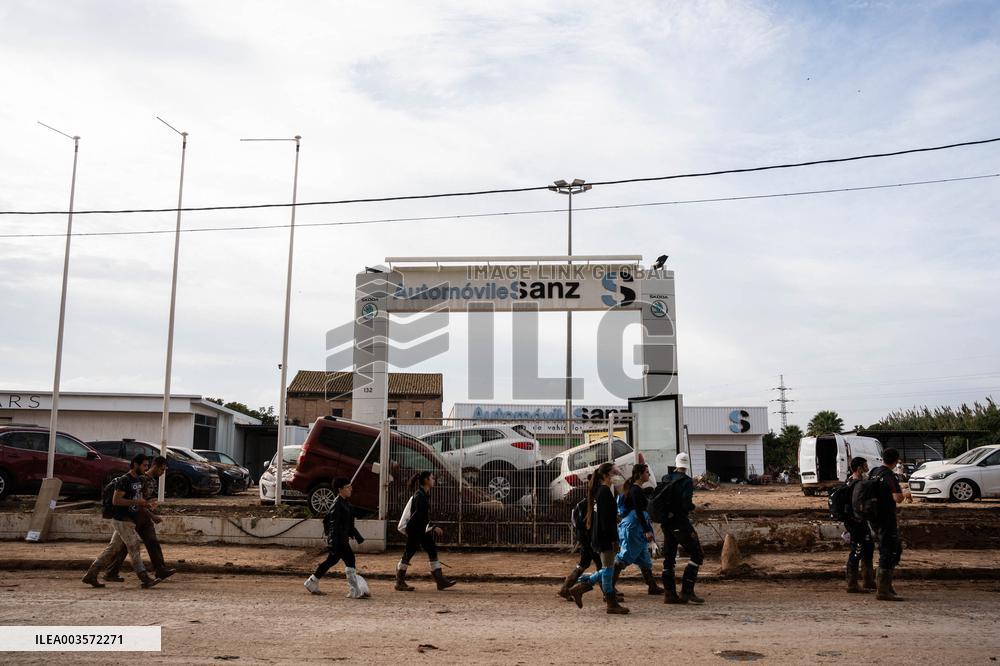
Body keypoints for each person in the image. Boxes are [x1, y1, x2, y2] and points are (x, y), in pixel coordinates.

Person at [82, 454, 161, 589]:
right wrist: (137, 501)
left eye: (147, 465)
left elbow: (137, 499)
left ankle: (91, 574)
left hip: (129, 520)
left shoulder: (138, 480)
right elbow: (116, 500)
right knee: (134, 546)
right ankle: (144, 577)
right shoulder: (124, 480)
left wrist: (147, 505)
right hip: (122, 520)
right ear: (135, 464)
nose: (146, 468)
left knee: (112, 549)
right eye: (144, 465)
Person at [567, 462, 629, 614]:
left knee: (608, 569)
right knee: (608, 571)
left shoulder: (600, 492)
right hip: (605, 537)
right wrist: (613, 539)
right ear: (606, 475)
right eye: (614, 471)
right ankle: (582, 588)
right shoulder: (605, 492)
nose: (616, 474)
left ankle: (609, 601)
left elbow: (603, 517)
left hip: (599, 536)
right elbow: (606, 520)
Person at [103, 455, 175, 582]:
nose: (163, 472)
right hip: (134, 516)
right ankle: (112, 572)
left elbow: (144, 501)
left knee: (151, 542)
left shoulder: (152, 481)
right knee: (127, 546)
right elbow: (136, 501)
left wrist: (150, 506)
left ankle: (160, 569)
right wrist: (151, 515)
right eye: (162, 469)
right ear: (155, 466)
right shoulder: (141, 479)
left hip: (143, 516)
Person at [304, 477, 369, 598]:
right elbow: (333, 524)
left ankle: (311, 582)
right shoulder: (337, 504)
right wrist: (333, 542)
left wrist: (357, 536)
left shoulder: (345, 504)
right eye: (348, 487)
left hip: (342, 539)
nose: (351, 489)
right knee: (350, 560)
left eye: (350, 486)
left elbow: (348, 524)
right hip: (339, 540)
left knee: (331, 561)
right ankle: (354, 590)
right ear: (340, 489)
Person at [395, 471, 456, 592]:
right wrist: (433, 527)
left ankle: (440, 581)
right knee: (409, 553)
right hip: (415, 529)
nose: (434, 480)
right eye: (432, 478)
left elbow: (422, 517)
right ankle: (399, 582)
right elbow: (419, 517)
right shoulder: (420, 496)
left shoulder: (424, 495)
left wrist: (430, 526)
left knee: (431, 549)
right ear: (427, 480)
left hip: (420, 529)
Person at [659, 452, 704, 604]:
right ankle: (687, 591)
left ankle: (669, 594)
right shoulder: (686, 481)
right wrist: (694, 507)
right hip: (680, 523)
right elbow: (685, 504)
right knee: (697, 555)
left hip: (667, 524)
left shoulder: (666, 478)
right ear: (687, 465)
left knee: (669, 559)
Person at [615, 464, 664, 596]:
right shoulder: (635, 490)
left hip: (636, 528)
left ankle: (652, 586)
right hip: (634, 528)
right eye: (647, 472)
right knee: (624, 557)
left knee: (644, 558)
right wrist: (646, 530)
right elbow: (639, 511)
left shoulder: (636, 489)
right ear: (640, 474)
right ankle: (608, 586)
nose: (648, 474)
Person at [870, 448, 911, 601]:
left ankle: (886, 586)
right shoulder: (889, 475)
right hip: (886, 518)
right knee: (889, 551)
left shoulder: (875, 471)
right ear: (896, 460)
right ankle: (883, 589)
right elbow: (898, 498)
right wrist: (905, 493)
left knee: (887, 549)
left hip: (874, 518)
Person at [557, 486, 600, 601]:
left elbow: (575, 523)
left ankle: (565, 589)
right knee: (601, 566)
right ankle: (608, 593)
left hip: (584, 539)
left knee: (583, 564)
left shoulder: (580, 505)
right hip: (590, 539)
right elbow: (588, 524)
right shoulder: (589, 505)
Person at [842, 457, 875, 593]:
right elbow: (856, 504)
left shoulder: (849, 481)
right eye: (865, 465)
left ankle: (868, 580)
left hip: (855, 521)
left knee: (868, 548)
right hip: (856, 522)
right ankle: (852, 583)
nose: (867, 467)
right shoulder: (857, 483)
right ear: (860, 468)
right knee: (857, 550)